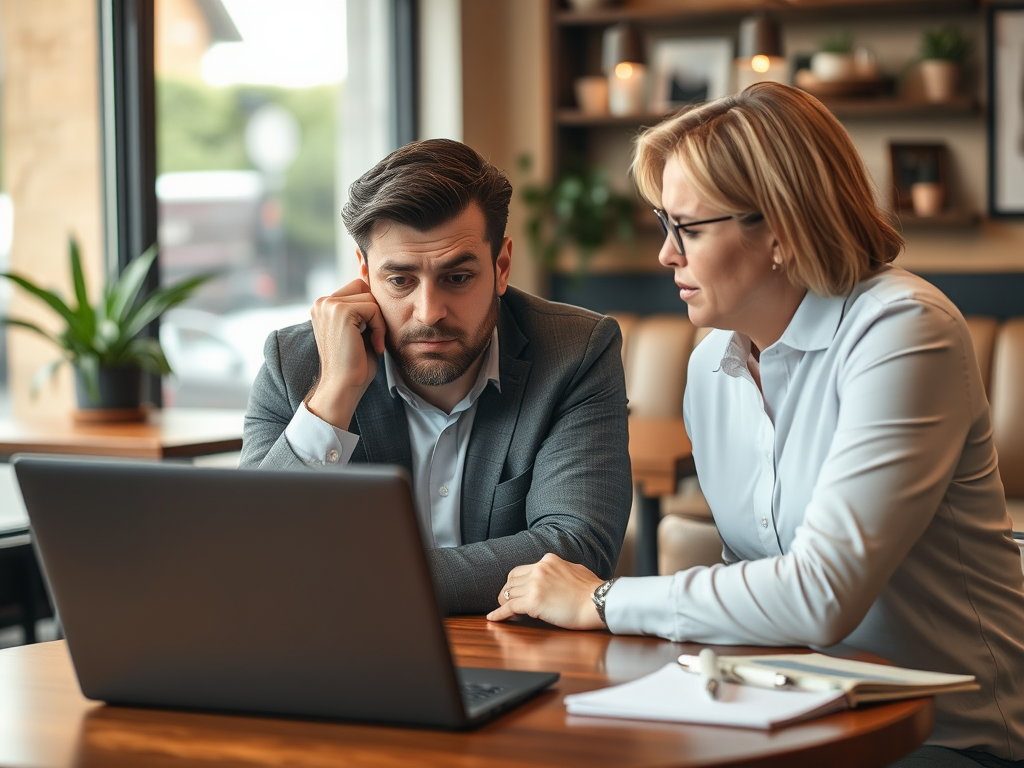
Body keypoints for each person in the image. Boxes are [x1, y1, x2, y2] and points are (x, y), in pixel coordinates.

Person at [487, 83, 1024, 766]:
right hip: (798, 717)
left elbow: (821, 594)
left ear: (779, 230)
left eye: (689, 228)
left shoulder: (903, 331)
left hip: (950, 736)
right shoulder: (713, 364)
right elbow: (754, 576)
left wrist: (602, 598)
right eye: (664, 224)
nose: (666, 255)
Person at [239, 138, 631, 616]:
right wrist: (335, 394)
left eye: (458, 277)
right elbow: (254, 556)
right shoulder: (296, 364)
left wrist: (348, 580)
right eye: (400, 280)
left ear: (501, 266)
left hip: (514, 658)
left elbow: (575, 548)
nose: (429, 312)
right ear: (364, 273)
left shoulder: (576, 352)